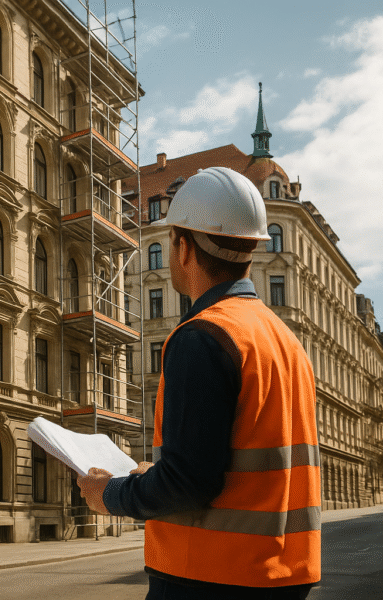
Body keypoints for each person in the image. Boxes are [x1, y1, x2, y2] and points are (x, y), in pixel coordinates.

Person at [78, 167, 321, 600]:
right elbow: (242, 467)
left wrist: (109, 494)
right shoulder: (283, 339)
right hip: (283, 575)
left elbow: (189, 484)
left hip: (211, 576)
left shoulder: (204, 336)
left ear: (183, 246)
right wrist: (161, 471)